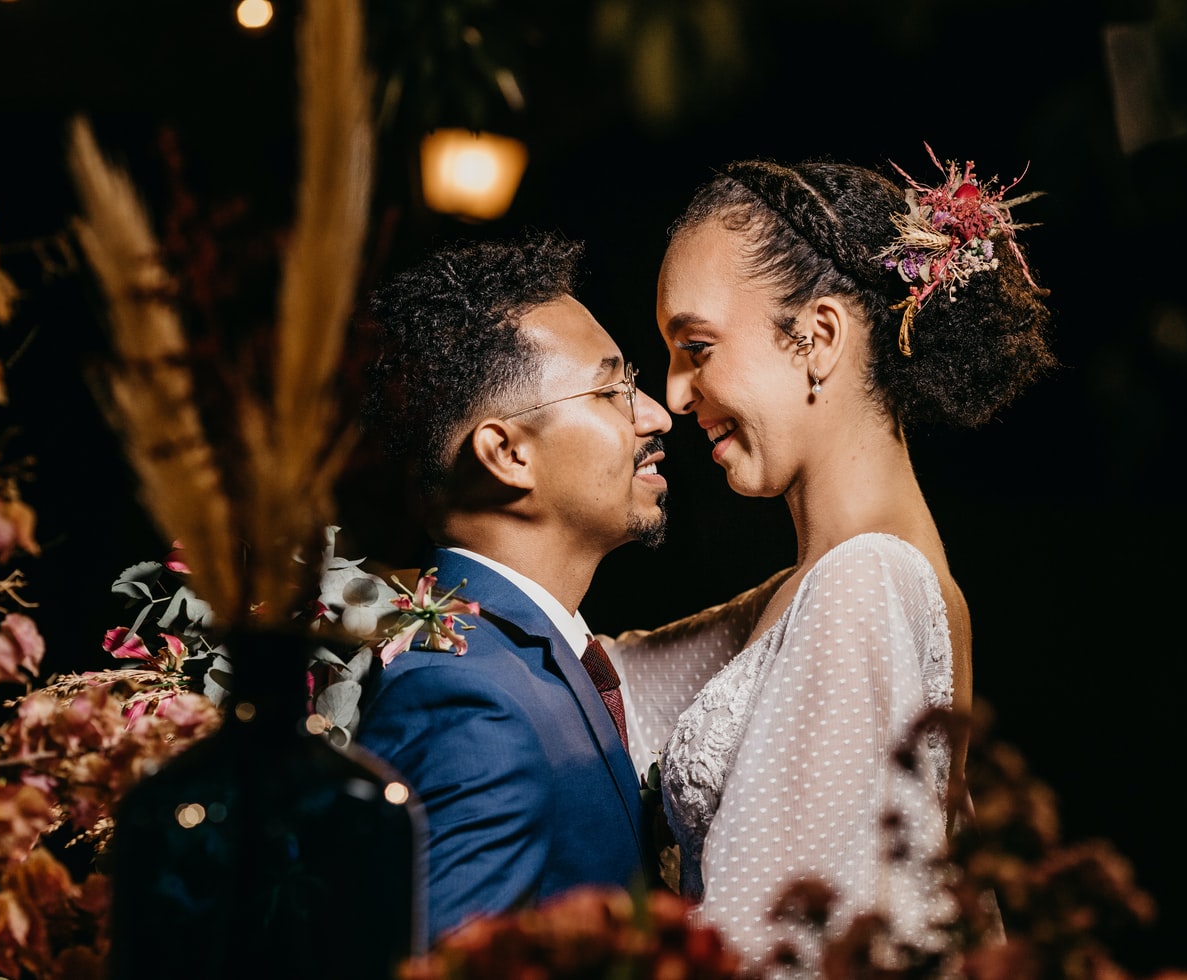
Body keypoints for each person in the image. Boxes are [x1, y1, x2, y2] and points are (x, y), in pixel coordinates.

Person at [603, 150, 1054, 970]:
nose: (672, 395)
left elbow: (777, 945)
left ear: (816, 338)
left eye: (696, 347)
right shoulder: (825, 584)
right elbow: (613, 679)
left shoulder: (865, 581)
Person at [355, 230, 673, 943]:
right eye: (615, 389)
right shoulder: (465, 697)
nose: (655, 414)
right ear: (507, 453)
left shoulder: (528, 656)